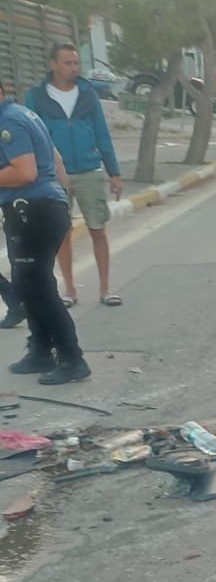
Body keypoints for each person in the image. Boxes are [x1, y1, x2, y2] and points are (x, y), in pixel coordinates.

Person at [0, 79, 91, 384]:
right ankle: (40, 350)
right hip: (39, 209)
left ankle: (72, 358)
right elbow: (56, 159)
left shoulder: (8, 121)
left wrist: (51, 205)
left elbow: (25, 172)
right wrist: (61, 202)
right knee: (29, 286)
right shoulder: (23, 114)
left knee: (38, 289)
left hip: (33, 211)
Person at [26, 43, 123, 308]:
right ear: (53, 65)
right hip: (54, 174)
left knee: (98, 229)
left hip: (89, 171)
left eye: (75, 63)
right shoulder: (37, 96)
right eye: (67, 63)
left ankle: (106, 289)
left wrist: (114, 173)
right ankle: (69, 289)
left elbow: (102, 134)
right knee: (62, 233)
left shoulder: (88, 93)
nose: (73, 68)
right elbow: (31, 136)